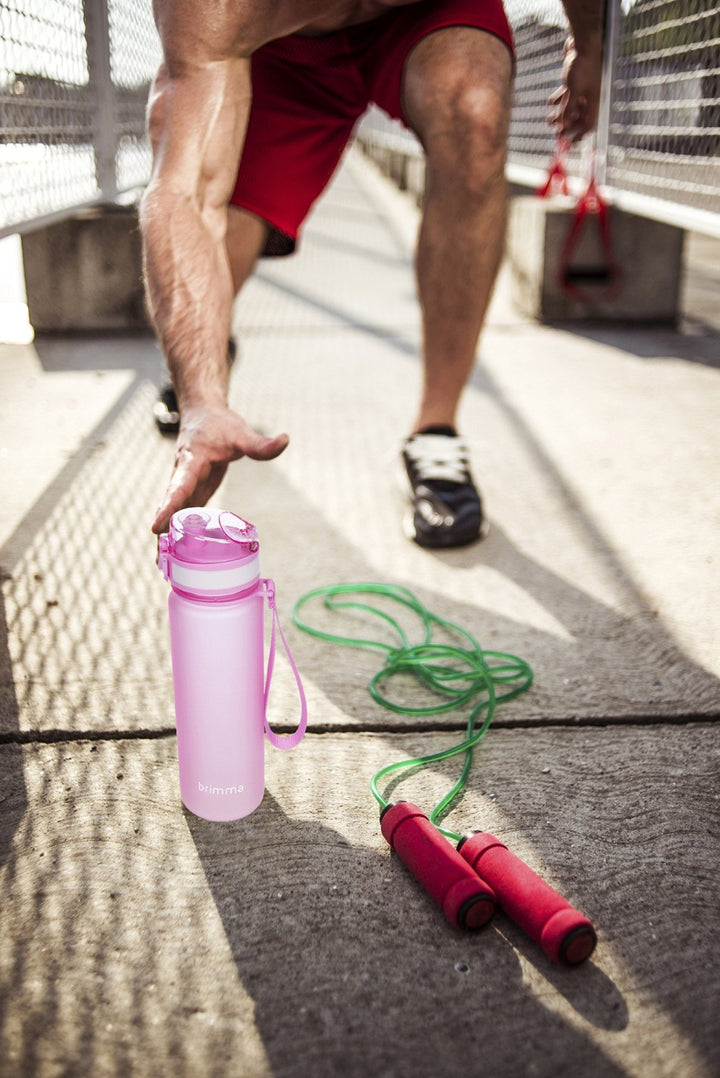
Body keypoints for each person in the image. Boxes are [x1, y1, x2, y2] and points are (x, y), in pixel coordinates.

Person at [141, 0, 603, 547]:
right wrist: (202, 399)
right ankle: (208, 355)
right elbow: (185, 195)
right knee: (236, 225)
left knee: (474, 112)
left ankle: (436, 433)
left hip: (430, 13)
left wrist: (589, 44)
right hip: (280, 41)